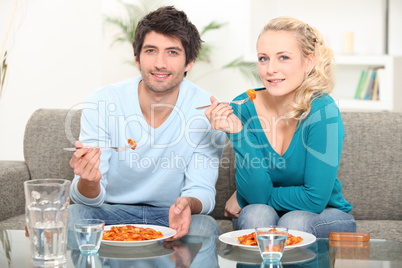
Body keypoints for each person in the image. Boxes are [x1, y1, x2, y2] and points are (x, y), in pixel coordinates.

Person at [68, 6, 226, 240]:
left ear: (189, 62)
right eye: (151, 50)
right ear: (137, 58)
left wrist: (186, 204)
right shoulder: (103, 101)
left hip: (171, 213)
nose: (160, 63)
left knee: (204, 227)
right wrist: (89, 181)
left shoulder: (207, 110)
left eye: (172, 52)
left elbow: (202, 192)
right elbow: (86, 199)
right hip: (109, 211)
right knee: (74, 214)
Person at [205, 16, 356, 238]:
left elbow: (314, 199)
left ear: (308, 62)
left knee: (293, 220)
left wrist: (244, 197)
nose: (270, 69)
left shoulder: (323, 111)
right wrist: (238, 134)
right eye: (263, 58)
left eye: (283, 57)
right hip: (265, 212)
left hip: (324, 214)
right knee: (256, 214)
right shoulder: (244, 107)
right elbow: (256, 196)